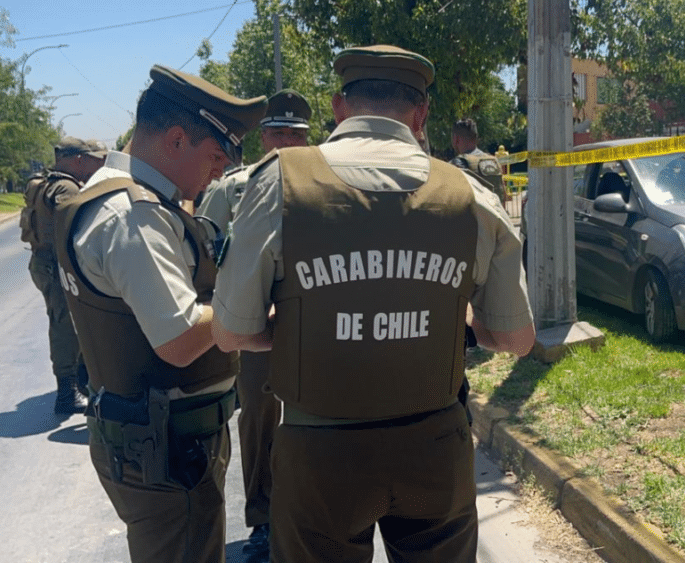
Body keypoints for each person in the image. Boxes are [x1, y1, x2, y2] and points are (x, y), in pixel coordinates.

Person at [211, 45, 536, 563]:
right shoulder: (471, 196)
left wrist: (299, 326)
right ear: (422, 114)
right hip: (434, 447)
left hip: (320, 455)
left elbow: (230, 333)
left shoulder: (277, 183)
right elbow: (517, 339)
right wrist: (451, 325)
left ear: (340, 107)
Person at [52, 65, 266, 563]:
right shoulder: (133, 216)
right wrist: (252, 309)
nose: (219, 172)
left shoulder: (119, 195)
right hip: (169, 453)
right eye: (215, 155)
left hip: (156, 442)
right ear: (175, 140)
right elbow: (181, 337)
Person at [196, 87, 312, 563]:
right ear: (263, 137)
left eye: (295, 133)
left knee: (317, 419)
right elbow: (204, 253)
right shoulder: (232, 187)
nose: (285, 141)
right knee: (259, 423)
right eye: (277, 132)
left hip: (315, 325)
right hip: (258, 331)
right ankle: (264, 519)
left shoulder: (326, 179)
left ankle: (310, 511)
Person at [20, 137, 107, 414]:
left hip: (43, 263)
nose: (101, 164)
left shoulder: (46, 181)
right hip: (57, 268)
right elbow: (75, 229)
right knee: (66, 326)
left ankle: (78, 381)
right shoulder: (66, 187)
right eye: (97, 159)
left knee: (67, 322)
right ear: (79, 159)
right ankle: (66, 392)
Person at [450, 117, 508, 203]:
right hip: (497, 215)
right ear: (476, 138)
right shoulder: (494, 161)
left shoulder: (459, 162)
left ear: (456, 139)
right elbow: (503, 196)